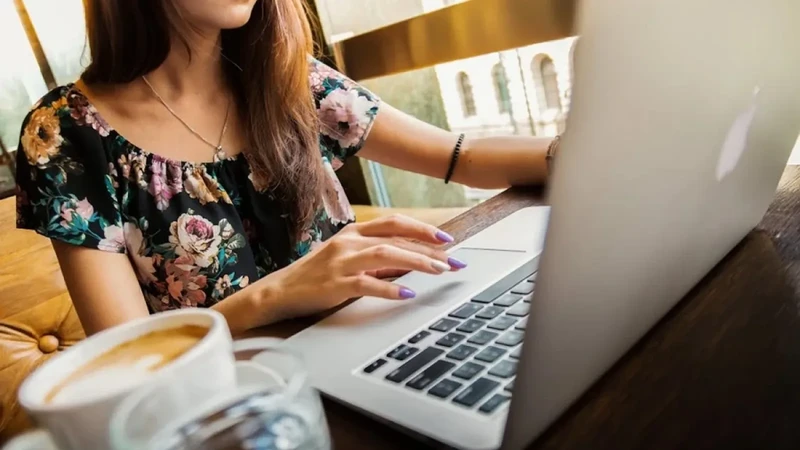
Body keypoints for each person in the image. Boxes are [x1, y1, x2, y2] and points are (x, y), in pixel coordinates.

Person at [15, 0, 557, 336]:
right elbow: (129, 359)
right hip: (234, 406)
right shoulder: (67, 134)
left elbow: (460, 157)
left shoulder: (287, 77)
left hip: (368, 341)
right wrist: (277, 294)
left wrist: (586, 148)